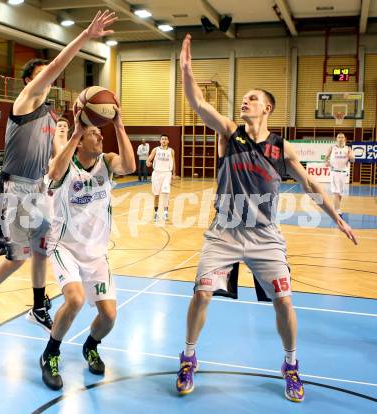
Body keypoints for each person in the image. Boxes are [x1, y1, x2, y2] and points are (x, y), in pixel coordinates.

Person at [175, 34, 358, 403]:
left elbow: (308, 183)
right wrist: (186, 70)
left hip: (264, 236)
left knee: (285, 302)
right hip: (224, 232)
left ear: (268, 109)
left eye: (253, 98)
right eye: (244, 98)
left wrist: (335, 215)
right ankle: (188, 356)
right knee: (202, 294)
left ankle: (290, 364)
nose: (245, 100)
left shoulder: (281, 147)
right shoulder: (229, 132)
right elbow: (196, 103)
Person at [0, 10, 117, 336]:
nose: (48, 79)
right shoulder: (24, 101)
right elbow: (55, 67)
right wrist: (85, 36)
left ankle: (38, 306)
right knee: (17, 258)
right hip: (14, 191)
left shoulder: (49, 117)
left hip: (38, 190)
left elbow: (57, 160)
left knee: (42, 249)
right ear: (29, 81)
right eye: (42, 75)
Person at [40, 100, 135, 390]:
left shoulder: (106, 162)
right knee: (76, 299)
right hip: (64, 247)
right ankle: (50, 354)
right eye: (95, 133)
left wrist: (118, 124)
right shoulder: (65, 165)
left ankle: (90, 346)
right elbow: (55, 173)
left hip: (96, 254)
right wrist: (75, 133)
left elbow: (130, 166)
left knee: (109, 317)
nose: (101, 137)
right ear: (80, 141)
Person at [146, 134, 176, 222]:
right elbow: (149, 159)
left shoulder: (171, 151)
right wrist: (148, 162)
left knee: (166, 193)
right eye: (162, 139)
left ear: (168, 141)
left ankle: (165, 213)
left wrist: (174, 173)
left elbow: (173, 162)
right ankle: (156, 213)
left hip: (167, 173)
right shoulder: (156, 149)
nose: (164, 140)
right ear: (160, 141)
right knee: (156, 194)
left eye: (165, 139)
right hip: (157, 173)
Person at [325, 133, 354, 218]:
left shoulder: (348, 148)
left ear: (345, 139)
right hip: (334, 172)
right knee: (335, 192)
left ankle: (335, 207)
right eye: (339, 137)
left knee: (340, 193)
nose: (340, 139)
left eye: (342, 137)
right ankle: (337, 210)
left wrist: (351, 156)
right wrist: (326, 162)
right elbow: (326, 157)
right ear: (336, 139)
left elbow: (353, 160)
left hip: (343, 173)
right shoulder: (332, 148)